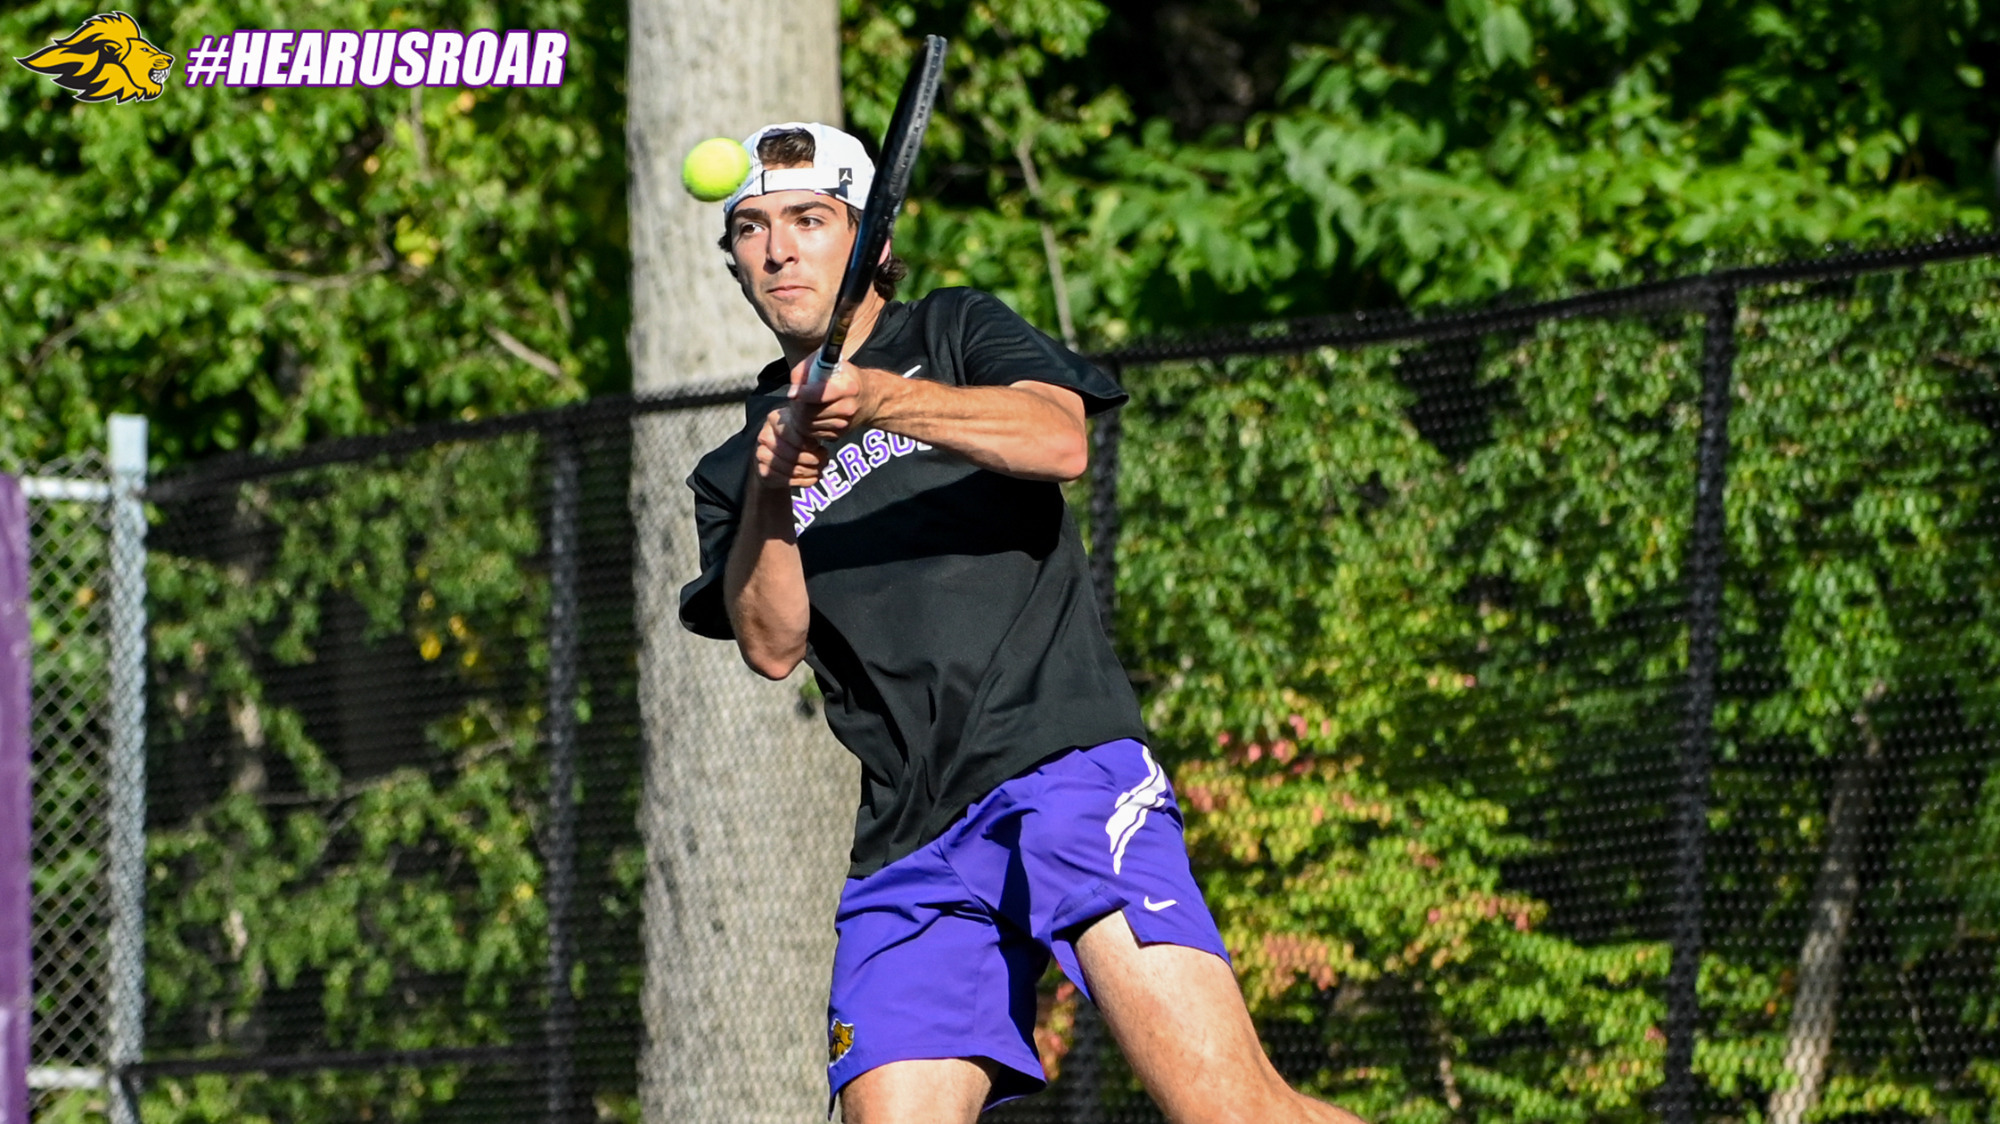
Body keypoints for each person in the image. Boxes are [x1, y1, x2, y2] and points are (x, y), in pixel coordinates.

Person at [678, 121, 1364, 1124]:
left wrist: (879, 402)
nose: (777, 248)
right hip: (906, 843)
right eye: (750, 228)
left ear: (868, 239)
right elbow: (770, 642)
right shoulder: (734, 466)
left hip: (1061, 769)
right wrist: (775, 493)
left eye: (808, 218)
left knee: (1226, 1108)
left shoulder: (954, 331)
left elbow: (1058, 437)